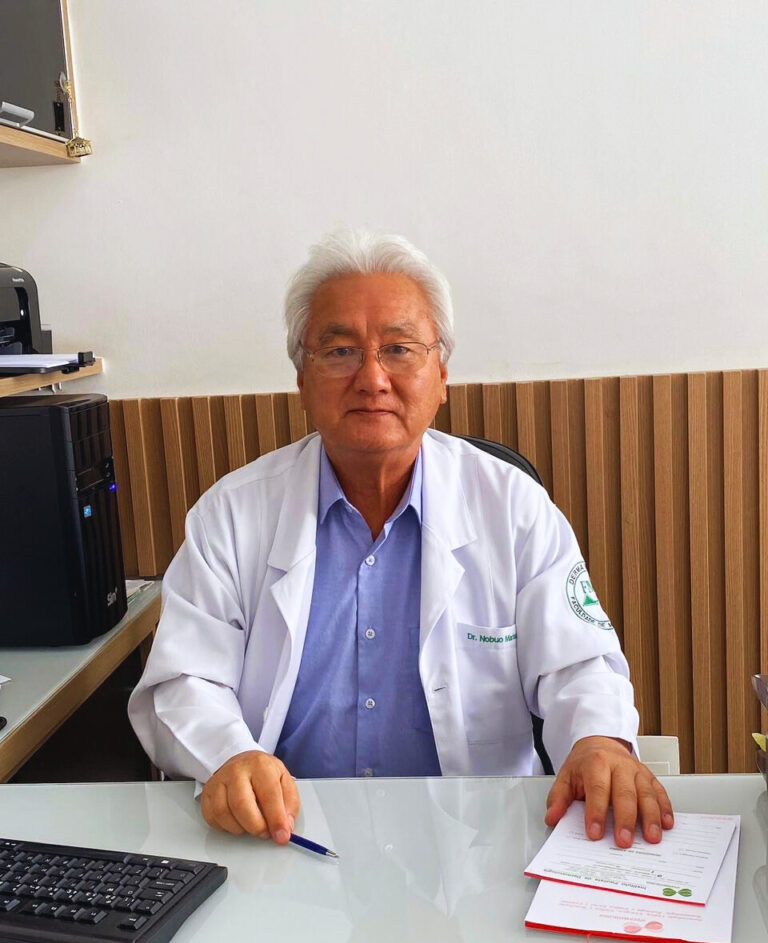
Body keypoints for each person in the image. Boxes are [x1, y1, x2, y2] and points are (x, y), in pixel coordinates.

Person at [128, 227, 674, 850]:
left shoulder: (513, 506)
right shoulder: (231, 514)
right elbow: (184, 681)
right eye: (340, 351)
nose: (372, 377)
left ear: (441, 374)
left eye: (398, 349)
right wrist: (229, 755)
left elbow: (579, 665)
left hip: (477, 846)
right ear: (302, 378)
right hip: (288, 840)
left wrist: (599, 741)